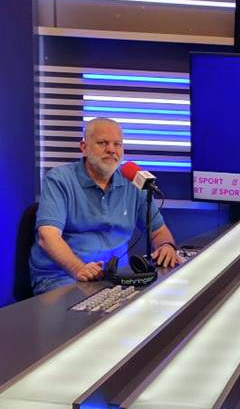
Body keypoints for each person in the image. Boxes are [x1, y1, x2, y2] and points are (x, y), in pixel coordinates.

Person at [30, 118, 181, 295]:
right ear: (84, 147)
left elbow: (158, 231)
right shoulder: (59, 180)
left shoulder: (133, 182)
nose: (111, 149)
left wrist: (166, 246)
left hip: (117, 277)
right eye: (103, 143)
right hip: (64, 277)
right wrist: (79, 269)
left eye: (117, 144)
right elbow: (47, 237)